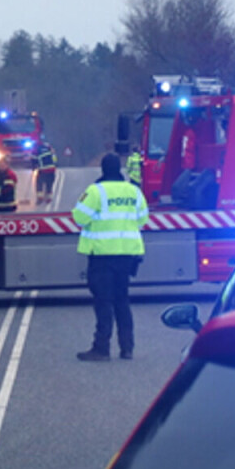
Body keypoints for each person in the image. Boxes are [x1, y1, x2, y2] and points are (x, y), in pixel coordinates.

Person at [72, 153, 149, 362]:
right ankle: (127, 348)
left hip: (102, 255)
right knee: (122, 300)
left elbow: (79, 217)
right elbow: (143, 219)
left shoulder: (96, 192)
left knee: (103, 302)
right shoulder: (134, 191)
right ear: (121, 169)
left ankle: (101, 348)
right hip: (126, 255)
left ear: (103, 170)